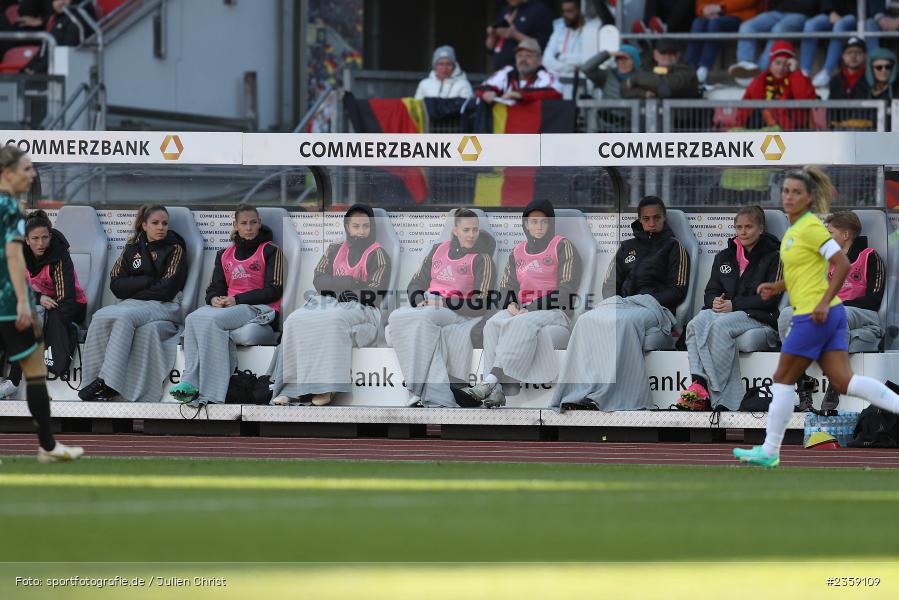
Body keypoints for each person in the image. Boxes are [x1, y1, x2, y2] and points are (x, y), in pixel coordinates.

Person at [733, 167, 899, 468]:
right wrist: (778, 286)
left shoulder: (811, 228)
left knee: (783, 379)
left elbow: (842, 264)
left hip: (815, 314)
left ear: (809, 198)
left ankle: (769, 450)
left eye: (796, 192)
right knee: (845, 381)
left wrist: (822, 303)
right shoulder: (795, 231)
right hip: (824, 313)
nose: (789, 196)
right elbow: (806, 273)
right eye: (786, 191)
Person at [552, 196, 689, 411]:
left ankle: (606, 397)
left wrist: (642, 300)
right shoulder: (627, 247)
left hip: (654, 308)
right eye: (646, 219)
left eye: (657, 218)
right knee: (586, 320)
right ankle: (577, 393)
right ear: (640, 220)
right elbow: (609, 285)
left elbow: (678, 290)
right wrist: (620, 302)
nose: (652, 223)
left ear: (664, 218)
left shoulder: (674, 247)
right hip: (622, 304)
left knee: (622, 322)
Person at [0, 146, 82, 462]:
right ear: (7, 173)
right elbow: (12, 257)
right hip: (7, 304)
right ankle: (48, 447)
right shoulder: (10, 207)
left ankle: (48, 446)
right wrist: (25, 301)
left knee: (33, 369)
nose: (32, 174)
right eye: (26, 169)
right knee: (35, 372)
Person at [459, 199, 581, 408]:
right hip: (522, 310)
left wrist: (529, 308)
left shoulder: (562, 246)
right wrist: (511, 304)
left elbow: (566, 290)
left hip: (555, 312)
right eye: (534, 222)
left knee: (520, 322)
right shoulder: (517, 251)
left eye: (544, 222)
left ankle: (490, 381)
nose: (539, 227)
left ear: (551, 223)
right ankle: (496, 392)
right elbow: (507, 286)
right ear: (525, 224)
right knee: (493, 324)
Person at [270, 204, 391, 406]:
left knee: (334, 319)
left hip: (363, 307)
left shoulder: (378, 254)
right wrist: (351, 283)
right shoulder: (334, 249)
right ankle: (290, 389)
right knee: (294, 319)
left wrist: (343, 289)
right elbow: (319, 281)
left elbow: (374, 292)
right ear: (347, 227)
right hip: (328, 301)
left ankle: (327, 387)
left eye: (366, 226)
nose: (361, 231)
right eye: (356, 226)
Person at [170, 205, 283, 406]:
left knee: (213, 321)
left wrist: (237, 299)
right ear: (235, 225)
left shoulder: (270, 250)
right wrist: (214, 298)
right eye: (244, 223)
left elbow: (274, 290)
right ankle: (189, 381)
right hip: (230, 306)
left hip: (258, 308)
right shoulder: (224, 254)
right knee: (193, 318)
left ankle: (213, 393)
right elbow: (215, 287)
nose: (249, 227)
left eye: (253, 222)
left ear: (259, 223)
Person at [777, 211, 885, 415]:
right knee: (787, 314)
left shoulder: (869, 256)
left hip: (862, 313)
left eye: (829, 232)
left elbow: (874, 299)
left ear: (845, 235)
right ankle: (802, 380)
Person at [78, 205, 188, 403]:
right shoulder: (131, 249)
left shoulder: (175, 248)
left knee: (123, 317)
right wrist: (146, 281)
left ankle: (108, 382)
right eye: (155, 223)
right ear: (144, 225)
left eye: (164, 223)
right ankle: (91, 381)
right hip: (132, 304)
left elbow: (166, 290)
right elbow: (116, 285)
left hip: (165, 305)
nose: (161, 227)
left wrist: (133, 289)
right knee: (100, 315)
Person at [677, 206, 782, 411]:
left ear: (761, 229)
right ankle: (699, 384)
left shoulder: (775, 257)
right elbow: (710, 291)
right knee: (695, 324)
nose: (743, 232)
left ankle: (722, 399)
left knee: (720, 326)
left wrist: (734, 305)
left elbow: (769, 298)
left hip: (758, 315)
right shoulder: (723, 256)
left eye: (749, 227)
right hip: (725, 312)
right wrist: (715, 301)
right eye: (739, 227)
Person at [388, 209, 495, 408]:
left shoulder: (483, 259)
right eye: (466, 230)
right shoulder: (438, 250)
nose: (471, 235)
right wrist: (418, 300)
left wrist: (443, 303)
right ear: (455, 231)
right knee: (395, 318)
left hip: (457, 312)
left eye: (475, 230)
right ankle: (433, 393)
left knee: (420, 320)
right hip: (428, 306)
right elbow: (416, 282)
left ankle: (414, 387)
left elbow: (480, 304)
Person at [0, 209, 87, 398]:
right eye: (35, 238)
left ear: (50, 236)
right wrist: (37, 298)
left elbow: (66, 300)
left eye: (45, 238)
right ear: (26, 240)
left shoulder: (59, 256)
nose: (41, 243)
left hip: (70, 306)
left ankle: (13, 381)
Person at [736, 41, 816, 131]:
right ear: (771, 64)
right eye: (777, 63)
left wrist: (795, 72)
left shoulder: (799, 79)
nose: (781, 68)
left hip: (792, 133)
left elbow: (805, 98)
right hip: (763, 131)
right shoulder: (760, 80)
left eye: (786, 64)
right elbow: (745, 108)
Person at [729, 1, 819, 79]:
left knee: (779, 29)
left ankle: (761, 72)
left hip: (801, 13)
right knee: (747, 26)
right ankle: (746, 64)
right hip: (777, 12)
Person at [686, 1, 765, 84]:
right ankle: (689, 69)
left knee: (715, 23)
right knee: (698, 23)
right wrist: (704, 10)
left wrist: (721, 7)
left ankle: (703, 68)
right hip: (716, 16)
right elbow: (701, 5)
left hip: (741, 16)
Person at [477, 37, 563, 105]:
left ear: (539, 60)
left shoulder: (547, 75)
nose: (523, 59)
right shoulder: (507, 72)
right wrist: (487, 93)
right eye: (519, 55)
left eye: (528, 56)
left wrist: (521, 95)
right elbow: (482, 88)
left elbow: (555, 93)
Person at [801, 1, 858, 88]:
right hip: (834, 12)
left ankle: (827, 72)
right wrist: (831, 11)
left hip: (856, 15)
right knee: (810, 25)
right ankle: (804, 72)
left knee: (840, 25)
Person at [486, 0, 554, 70]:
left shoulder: (539, 10)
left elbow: (541, 45)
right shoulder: (505, 10)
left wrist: (515, 34)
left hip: (524, 70)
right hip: (500, 69)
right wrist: (492, 35)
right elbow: (490, 49)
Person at [625, 39, 700, 99]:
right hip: (652, 113)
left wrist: (637, 79)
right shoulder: (647, 68)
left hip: (681, 113)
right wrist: (643, 93)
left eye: (672, 53)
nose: (667, 56)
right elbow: (624, 88)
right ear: (655, 54)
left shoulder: (687, 70)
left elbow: (670, 83)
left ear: (678, 55)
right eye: (663, 52)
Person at [544, 0, 593, 79]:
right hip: (559, 81)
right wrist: (573, 68)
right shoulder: (559, 30)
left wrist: (561, 57)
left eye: (569, 11)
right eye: (564, 11)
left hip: (583, 81)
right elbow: (546, 60)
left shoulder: (591, 30)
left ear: (581, 11)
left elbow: (589, 60)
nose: (565, 15)